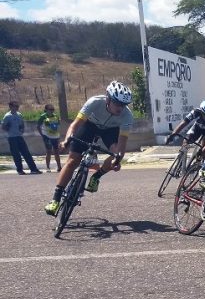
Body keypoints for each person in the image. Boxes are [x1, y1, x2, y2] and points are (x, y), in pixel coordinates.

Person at [43, 82, 133, 215]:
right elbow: (75, 125)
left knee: (116, 155)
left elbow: (122, 143)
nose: (120, 108)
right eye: (117, 103)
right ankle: (55, 199)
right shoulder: (94, 102)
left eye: (123, 105)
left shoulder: (127, 115)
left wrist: (118, 159)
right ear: (108, 98)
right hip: (89, 126)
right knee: (73, 160)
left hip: (110, 131)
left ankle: (96, 176)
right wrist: (67, 140)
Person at [2, 101, 42, 175]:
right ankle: (20, 170)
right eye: (15, 106)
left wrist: (22, 129)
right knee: (16, 154)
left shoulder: (19, 114)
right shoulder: (7, 116)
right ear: (10, 107)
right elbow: (3, 126)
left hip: (19, 137)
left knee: (26, 153)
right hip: (12, 137)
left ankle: (33, 169)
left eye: (17, 106)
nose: (17, 107)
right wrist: (9, 128)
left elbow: (22, 124)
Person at [37, 104, 62, 172]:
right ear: (46, 110)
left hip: (55, 136)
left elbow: (58, 125)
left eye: (53, 109)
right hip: (47, 136)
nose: (52, 111)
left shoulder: (56, 116)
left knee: (56, 151)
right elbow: (38, 126)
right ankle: (48, 167)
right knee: (49, 151)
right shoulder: (43, 116)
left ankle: (59, 166)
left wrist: (58, 136)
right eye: (50, 110)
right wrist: (42, 135)